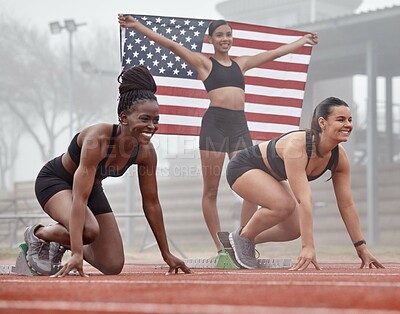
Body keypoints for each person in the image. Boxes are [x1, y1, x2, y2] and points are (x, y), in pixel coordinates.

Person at [118, 15, 319, 253]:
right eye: (220, 35)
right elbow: (171, 45)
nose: (225, 39)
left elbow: (274, 53)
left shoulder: (241, 64)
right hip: (215, 126)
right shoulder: (205, 64)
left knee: (253, 182)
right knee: (211, 190)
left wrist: (303, 40)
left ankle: (242, 241)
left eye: (228, 35)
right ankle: (220, 248)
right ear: (211, 39)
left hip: (239, 126)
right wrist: (137, 26)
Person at [24, 65, 191, 277]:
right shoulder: (97, 139)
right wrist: (77, 252)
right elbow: (79, 198)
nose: (152, 126)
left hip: (91, 188)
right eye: (145, 119)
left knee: (112, 265)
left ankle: (64, 240)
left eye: (156, 120)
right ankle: (39, 234)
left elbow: (152, 203)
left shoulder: (146, 153)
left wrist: (166, 254)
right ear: (123, 118)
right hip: (56, 181)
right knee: (89, 230)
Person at [225, 96, 385, 270]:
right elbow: (304, 199)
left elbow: (346, 204)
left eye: (350, 120)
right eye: (341, 119)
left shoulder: (339, 157)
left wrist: (361, 248)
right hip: (243, 167)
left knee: (294, 229)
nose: (348, 125)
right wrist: (307, 247)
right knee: (283, 205)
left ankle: (242, 240)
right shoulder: (298, 146)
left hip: (269, 175)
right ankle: (243, 238)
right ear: (322, 122)